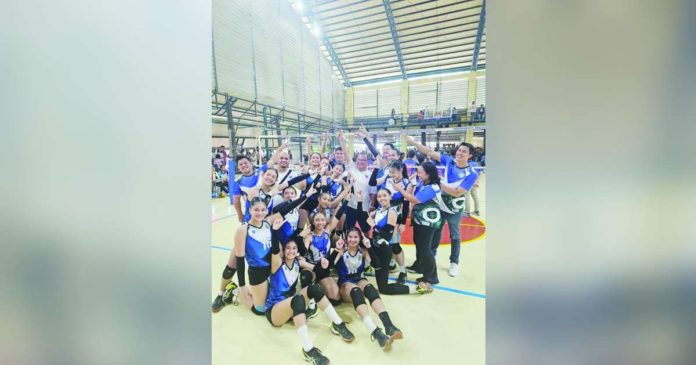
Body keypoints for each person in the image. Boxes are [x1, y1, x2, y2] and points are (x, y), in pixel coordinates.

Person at [212, 186, 316, 313]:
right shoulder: (243, 230)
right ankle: (234, 290)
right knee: (260, 310)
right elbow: (239, 260)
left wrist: (306, 195)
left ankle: (253, 292)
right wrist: (242, 285)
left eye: (263, 210)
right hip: (257, 271)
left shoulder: (268, 222)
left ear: (267, 210)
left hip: (271, 268)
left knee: (271, 302)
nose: (260, 213)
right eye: (256, 210)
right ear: (249, 209)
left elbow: (288, 207)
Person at [264, 228, 354, 365]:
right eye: (288, 248)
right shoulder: (277, 263)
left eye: (294, 248)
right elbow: (275, 249)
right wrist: (275, 231)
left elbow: (320, 269)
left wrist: (335, 252)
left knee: (313, 289)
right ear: (283, 250)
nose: (291, 251)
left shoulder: (298, 262)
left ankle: (337, 324)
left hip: (291, 307)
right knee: (298, 299)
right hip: (275, 311)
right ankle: (308, 349)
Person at [406, 137, 478, 277]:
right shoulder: (449, 161)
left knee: (455, 235)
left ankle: (454, 262)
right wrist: (413, 142)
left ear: (469, 156)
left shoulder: (471, 174)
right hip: (439, 204)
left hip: (454, 208)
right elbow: (429, 151)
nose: (460, 153)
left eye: (464, 151)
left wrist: (438, 182)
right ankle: (431, 258)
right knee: (435, 234)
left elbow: (457, 193)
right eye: (459, 150)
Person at [330, 228, 403, 351]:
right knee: (356, 290)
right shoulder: (342, 251)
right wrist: (337, 250)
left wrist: (369, 248)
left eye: (356, 237)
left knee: (370, 288)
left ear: (360, 239)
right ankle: (374, 331)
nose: (353, 240)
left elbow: (377, 265)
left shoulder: (363, 251)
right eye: (350, 237)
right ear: (346, 238)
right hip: (345, 285)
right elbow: (329, 265)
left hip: (359, 280)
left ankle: (388, 325)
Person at [392, 161, 442, 289]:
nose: (417, 174)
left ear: (429, 174)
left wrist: (400, 190)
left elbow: (415, 199)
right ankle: (419, 266)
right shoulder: (423, 183)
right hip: (420, 220)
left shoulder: (433, 187)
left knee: (425, 248)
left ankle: (431, 276)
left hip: (428, 222)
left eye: (420, 172)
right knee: (419, 245)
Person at [299, 199, 350, 306]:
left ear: (325, 221)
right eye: (317, 220)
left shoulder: (327, 232)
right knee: (305, 276)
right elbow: (302, 254)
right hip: (312, 268)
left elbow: (337, 216)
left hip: (324, 269)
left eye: (322, 220)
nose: (320, 222)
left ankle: (321, 286)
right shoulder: (309, 237)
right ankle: (309, 292)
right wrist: (302, 237)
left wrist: (346, 201)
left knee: (336, 300)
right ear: (313, 222)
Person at [370, 161, 412, 284]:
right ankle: (392, 263)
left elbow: (405, 203)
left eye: (393, 172)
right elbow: (372, 183)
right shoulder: (388, 178)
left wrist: (403, 222)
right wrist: (376, 168)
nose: (391, 174)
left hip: (396, 216)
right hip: (382, 212)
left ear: (400, 170)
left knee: (394, 244)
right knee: (385, 241)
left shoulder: (406, 183)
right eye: (390, 172)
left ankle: (403, 271)